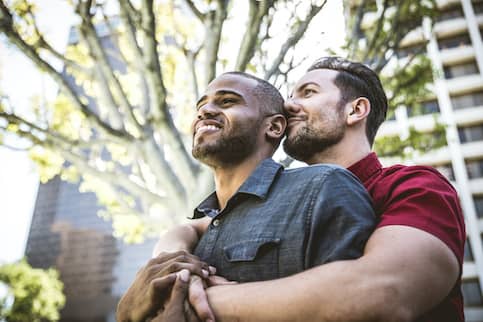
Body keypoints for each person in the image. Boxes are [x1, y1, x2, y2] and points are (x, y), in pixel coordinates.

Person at [184, 57, 464, 322]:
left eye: (307, 93)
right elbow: (204, 225)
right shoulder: (278, 200)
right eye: (290, 96)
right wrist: (172, 250)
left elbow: (385, 292)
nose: (289, 105)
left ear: (355, 110)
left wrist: (200, 302)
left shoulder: (413, 186)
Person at [116, 71, 376, 322]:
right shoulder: (191, 234)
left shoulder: (322, 187)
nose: (204, 112)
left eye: (227, 101)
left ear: (274, 126)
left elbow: (356, 305)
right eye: (201, 106)